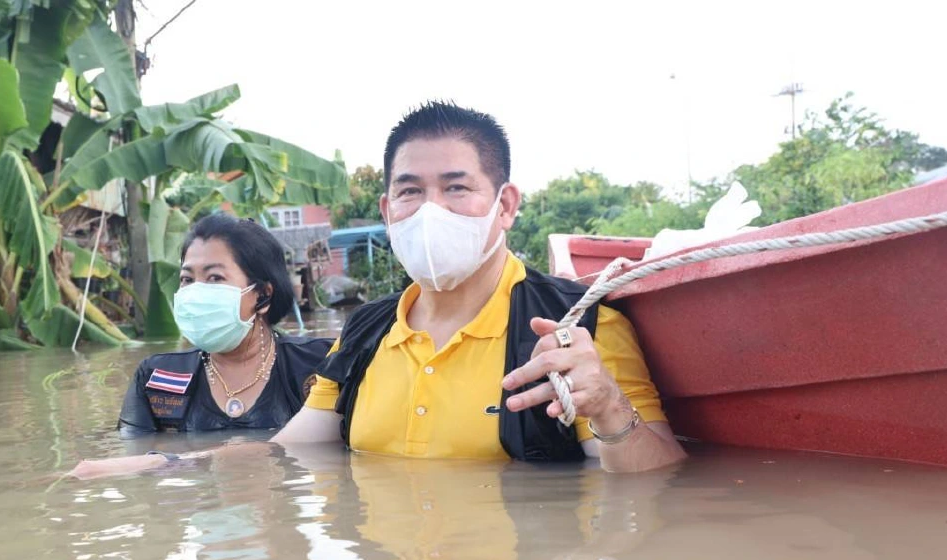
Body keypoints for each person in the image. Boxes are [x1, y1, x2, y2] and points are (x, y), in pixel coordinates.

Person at [271, 101, 686, 473]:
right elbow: (291, 454)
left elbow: (659, 481)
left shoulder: (580, 326)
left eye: (457, 187)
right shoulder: (364, 330)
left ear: (505, 206)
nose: (431, 209)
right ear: (387, 209)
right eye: (410, 191)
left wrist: (610, 406)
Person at [115, 212, 331, 435]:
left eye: (215, 278)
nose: (196, 292)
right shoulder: (156, 379)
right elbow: (137, 458)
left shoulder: (322, 365)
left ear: (263, 295)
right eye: (187, 279)